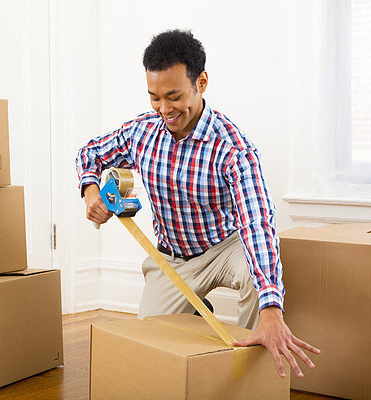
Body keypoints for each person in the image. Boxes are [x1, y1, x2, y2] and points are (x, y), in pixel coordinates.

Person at [76, 29, 320, 378]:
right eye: (154, 97)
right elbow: (90, 153)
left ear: (201, 82)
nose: (164, 109)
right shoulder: (142, 132)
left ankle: (255, 368)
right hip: (172, 258)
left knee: (257, 276)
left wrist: (271, 308)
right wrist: (90, 189)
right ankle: (192, 308)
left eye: (174, 96)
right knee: (148, 348)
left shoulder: (232, 148)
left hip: (224, 247)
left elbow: (258, 224)